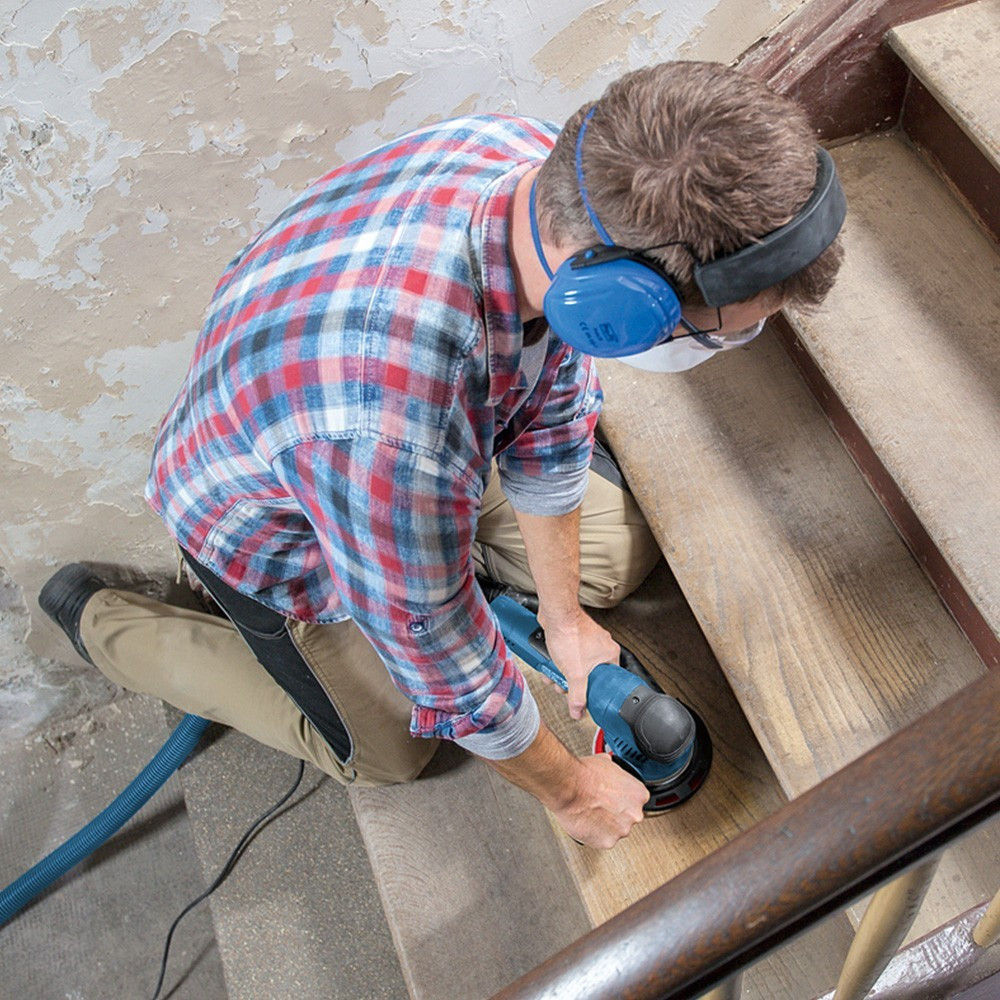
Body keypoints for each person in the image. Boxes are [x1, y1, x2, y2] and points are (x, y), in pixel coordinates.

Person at [39, 61, 843, 850]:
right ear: (609, 302)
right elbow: (443, 657)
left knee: (613, 553)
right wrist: (572, 792)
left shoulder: (547, 174)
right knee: (393, 749)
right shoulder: (391, 429)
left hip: (396, 446)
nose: (735, 343)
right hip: (269, 523)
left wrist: (565, 624)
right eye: (724, 332)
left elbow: (554, 399)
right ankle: (103, 620)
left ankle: (435, 565)